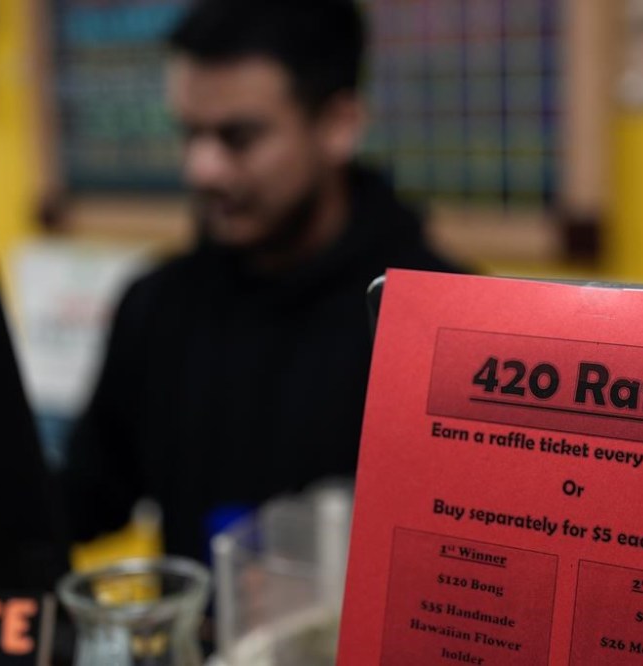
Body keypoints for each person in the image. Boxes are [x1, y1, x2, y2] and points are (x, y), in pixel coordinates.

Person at [60, 0, 461, 559]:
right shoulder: (155, 304)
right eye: (190, 134)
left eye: (238, 137)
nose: (201, 169)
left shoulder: (449, 328)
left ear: (338, 125)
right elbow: (86, 499)